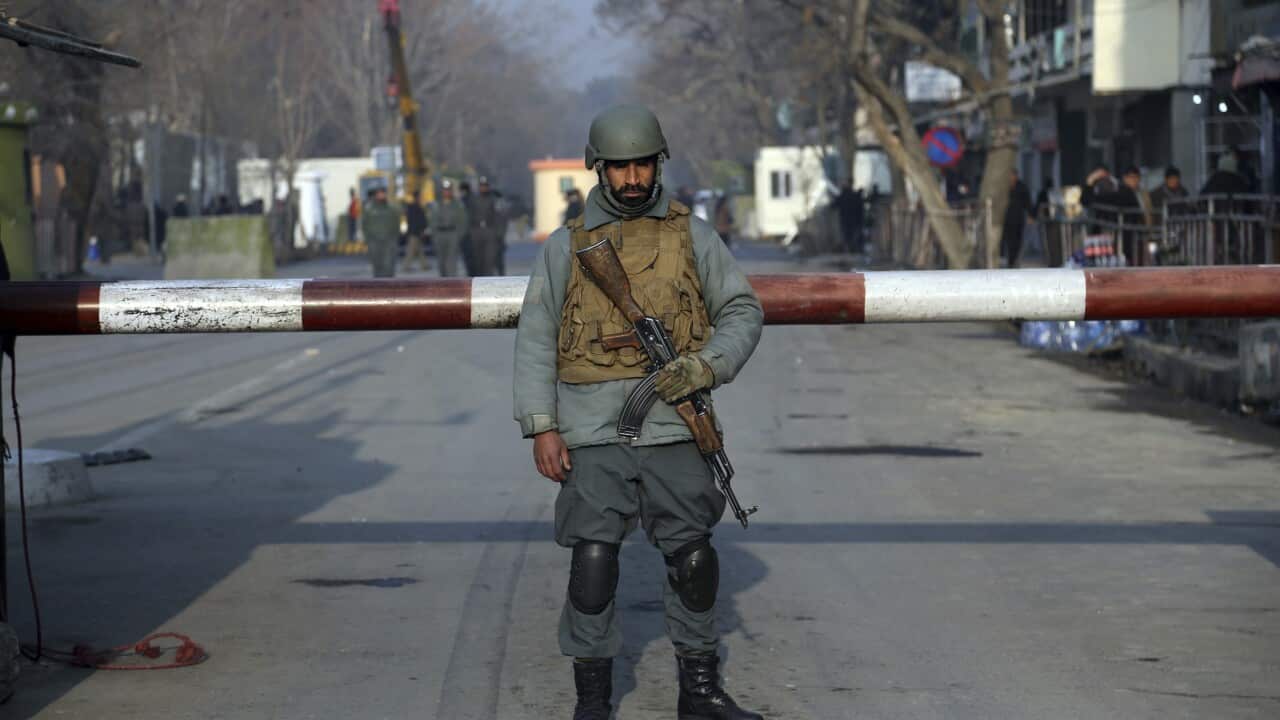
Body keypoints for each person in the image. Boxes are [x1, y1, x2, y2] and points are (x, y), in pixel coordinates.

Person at [514, 105, 765, 720]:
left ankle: (699, 693)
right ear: (600, 170)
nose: (632, 178)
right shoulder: (568, 247)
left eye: (642, 164)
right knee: (593, 562)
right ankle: (593, 701)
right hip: (591, 428)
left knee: (694, 558)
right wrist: (541, 425)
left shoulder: (692, 235)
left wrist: (705, 367)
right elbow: (536, 335)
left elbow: (741, 310)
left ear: (659, 164)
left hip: (675, 422)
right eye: (620, 166)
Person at [429, 180, 468, 277]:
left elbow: (463, 220)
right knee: (441, 262)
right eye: (445, 190)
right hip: (440, 234)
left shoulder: (458, 204)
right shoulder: (436, 204)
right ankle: (443, 283)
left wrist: (459, 235)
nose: (447, 192)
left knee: (451, 262)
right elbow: (431, 219)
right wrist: (434, 234)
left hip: (452, 234)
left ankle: (451, 283)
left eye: (448, 190)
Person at [361, 186, 400, 278]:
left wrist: (394, 239)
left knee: (389, 266)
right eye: (379, 194)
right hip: (374, 242)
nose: (381, 195)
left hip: (389, 242)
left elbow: (396, 224)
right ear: (375, 195)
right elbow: (364, 225)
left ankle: (390, 289)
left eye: (383, 193)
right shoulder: (369, 209)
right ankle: (378, 290)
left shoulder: (391, 209)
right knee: (377, 266)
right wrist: (368, 240)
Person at [469, 177, 502, 276]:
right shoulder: (473, 199)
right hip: (477, 231)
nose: (483, 188)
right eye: (481, 186)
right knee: (478, 259)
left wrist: (498, 233)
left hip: (489, 231)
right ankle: (478, 279)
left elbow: (498, 216)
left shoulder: (493, 199)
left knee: (489, 259)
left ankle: (487, 281)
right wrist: (471, 232)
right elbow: (469, 215)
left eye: (485, 186)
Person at [1002, 169, 1034, 268]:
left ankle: (1014, 259)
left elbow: (1027, 202)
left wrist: (1030, 215)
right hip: (1006, 218)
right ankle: (1010, 260)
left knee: (1017, 240)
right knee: (1009, 240)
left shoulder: (1022, 187)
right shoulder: (1004, 187)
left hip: (1018, 218)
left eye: (1013, 175)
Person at [832, 179, 864, 254]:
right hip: (853, 219)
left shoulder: (843, 195)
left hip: (846, 219)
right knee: (852, 234)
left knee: (848, 235)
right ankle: (853, 248)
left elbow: (834, 205)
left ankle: (851, 248)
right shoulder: (853, 195)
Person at [403, 191, 430, 272]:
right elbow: (416, 221)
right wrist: (420, 230)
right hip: (414, 232)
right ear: (417, 197)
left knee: (420, 249)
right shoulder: (414, 207)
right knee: (411, 250)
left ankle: (424, 265)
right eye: (420, 196)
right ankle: (406, 266)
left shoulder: (414, 207)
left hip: (415, 231)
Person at [458, 181, 475, 275]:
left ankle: (471, 275)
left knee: (469, 257)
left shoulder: (464, 201)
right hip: (472, 233)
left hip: (467, 234)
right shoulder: (473, 200)